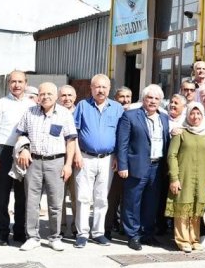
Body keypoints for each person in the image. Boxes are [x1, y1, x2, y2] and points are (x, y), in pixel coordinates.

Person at [15, 82, 78, 252]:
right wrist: (24, 149)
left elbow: (71, 141)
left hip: (56, 162)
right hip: (33, 162)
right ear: (38, 96)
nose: (45, 97)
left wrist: (68, 165)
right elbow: (21, 134)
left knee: (56, 202)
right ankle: (32, 237)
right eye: (42, 94)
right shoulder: (29, 112)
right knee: (32, 201)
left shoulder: (64, 114)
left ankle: (54, 237)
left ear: (56, 95)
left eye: (49, 94)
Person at [72, 74, 124, 249]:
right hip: (85, 158)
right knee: (83, 197)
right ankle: (82, 233)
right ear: (91, 89)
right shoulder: (82, 106)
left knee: (102, 198)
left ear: (109, 89)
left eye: (104, 87)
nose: (100, 90)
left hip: (108, 159)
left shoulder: (117, 108)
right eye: (97, 87)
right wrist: (77, 155)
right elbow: (74, 133)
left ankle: (98, 232)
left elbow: (120, 136)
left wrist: (117, 156)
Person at [116, 85, 170, 251]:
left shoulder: (164, 118)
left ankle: (147, 234)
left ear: (160, 101)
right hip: (136, 166)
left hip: (157, 166)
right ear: (143, 99)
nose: (153, 101)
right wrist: (123, 165)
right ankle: (133, 235)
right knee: (132, 202)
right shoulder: (130, 116)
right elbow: (122, 143)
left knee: (151, 203)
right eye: (149, 98)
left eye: (156, 98)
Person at [0, 70, 35, 245]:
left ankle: (19, 231)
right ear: (8, 84)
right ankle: (2, 231)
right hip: (4, 151)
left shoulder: (32, 105)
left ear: (26, 84)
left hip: (24, 152)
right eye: (13, 81)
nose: (16, 85)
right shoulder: (0, 104)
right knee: (2, 196)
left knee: (22, 196)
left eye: (20, 82)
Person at [166, 103, 205, 252]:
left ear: (203, 115)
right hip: (184, 175)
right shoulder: (181, 132)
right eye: (192, 114)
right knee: (183, 206)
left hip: (202, 177)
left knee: (196, 207)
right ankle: (182, 240)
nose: (196, 117)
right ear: (187, 115)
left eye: (199, 114)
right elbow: (172, 155)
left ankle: (194, 239)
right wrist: (174, 178)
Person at [105, 86, 133, 239]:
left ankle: (123, 227)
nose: (125, 100)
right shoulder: (113, 113)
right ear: (115, 98)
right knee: (112, 197)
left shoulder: (135, 114)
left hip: (131, 162)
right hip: (115, 161)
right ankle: (107, 228)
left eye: (128, 96)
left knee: (127, 197)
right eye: (122, 96)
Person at [58, 85, 79, 238]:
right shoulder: (55, 113)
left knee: (77, 195)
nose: (67, 98)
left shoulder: (82, 112)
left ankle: (76, 226)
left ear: (75, 97)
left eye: (69, 95)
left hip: (78, 159)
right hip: (59, 159)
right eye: (63, 95)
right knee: (59, 195)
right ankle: (60, 226)